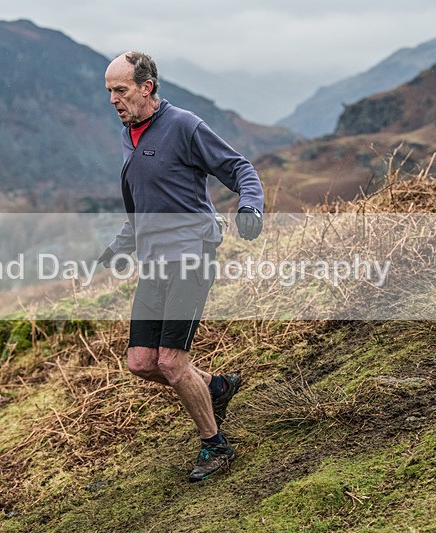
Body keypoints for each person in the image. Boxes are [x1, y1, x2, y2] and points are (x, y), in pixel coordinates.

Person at [98, 51, 264, 482]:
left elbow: (239, 168)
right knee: (140, 362)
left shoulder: (184, 125)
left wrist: (250, 206)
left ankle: (216, 445)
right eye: (110, 92)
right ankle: (215, 387)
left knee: (172, 362)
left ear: (146, 88)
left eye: (121, 90)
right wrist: (119, 247)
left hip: (191, 254)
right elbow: (142, 207)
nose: (114, 100)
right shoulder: (129, 134)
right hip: (154, 263)